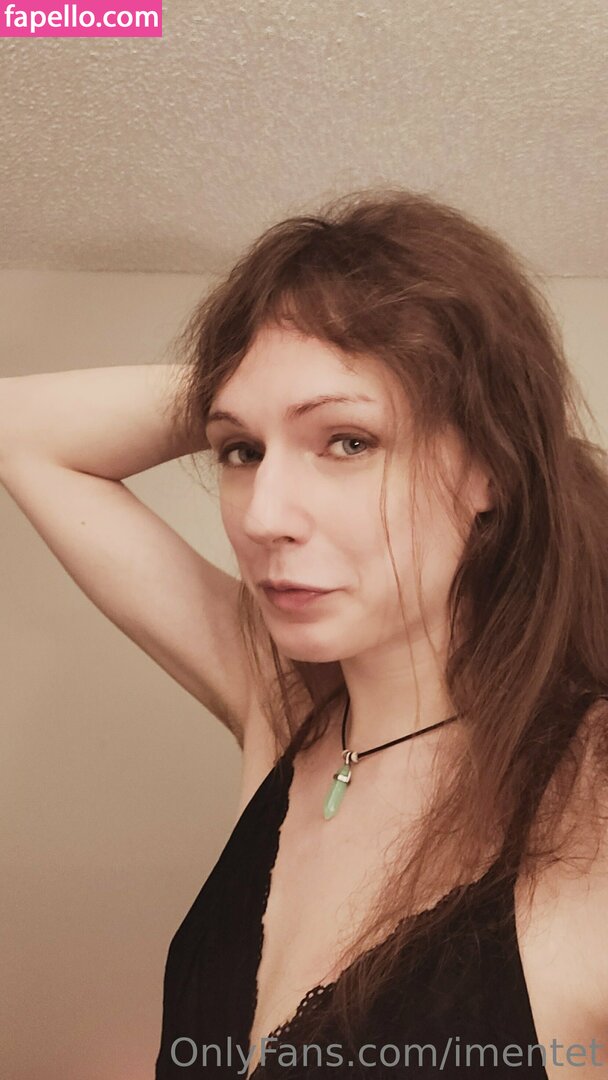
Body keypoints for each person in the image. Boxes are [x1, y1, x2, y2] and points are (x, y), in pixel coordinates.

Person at [1, 188, 606, 1079]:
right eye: (241, 452)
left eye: (348, 442)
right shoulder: (285, 703)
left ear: (490, 466)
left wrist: (466, 389)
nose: (264, 517)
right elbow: (17, 428)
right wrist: (253, 384)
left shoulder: (588, 791)